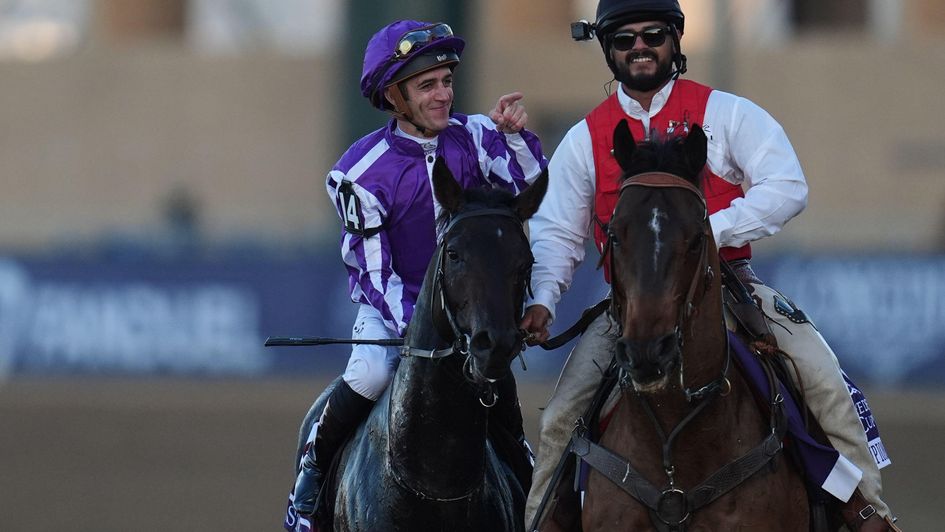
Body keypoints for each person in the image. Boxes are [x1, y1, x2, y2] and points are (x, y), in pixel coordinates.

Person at [520, 1, 899, 530]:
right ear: (608, 50)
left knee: (824, 382)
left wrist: (704, 236)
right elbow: (557, 233)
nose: (640, 47)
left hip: (731, 291)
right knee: (560, 417)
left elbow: (787, 187)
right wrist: (542, 301)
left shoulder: (728, 113)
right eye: (624, 39)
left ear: (675, 40)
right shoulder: (585, 139)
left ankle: (869, 512)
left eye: (652, 34)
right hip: (628, 308)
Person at [287, 19, 547, 521]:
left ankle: (531, 493)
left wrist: (514, 137)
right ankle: (307, 490)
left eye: (447, 81)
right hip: (393, 315)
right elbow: (375, 269)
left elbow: (528, 188)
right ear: (395, 96)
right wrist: (418, 329)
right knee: (369, 372)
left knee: (499, 393)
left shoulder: (476, 135)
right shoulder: (358, 172)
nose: (444, 94)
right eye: (427, 85)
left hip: (468, 315)